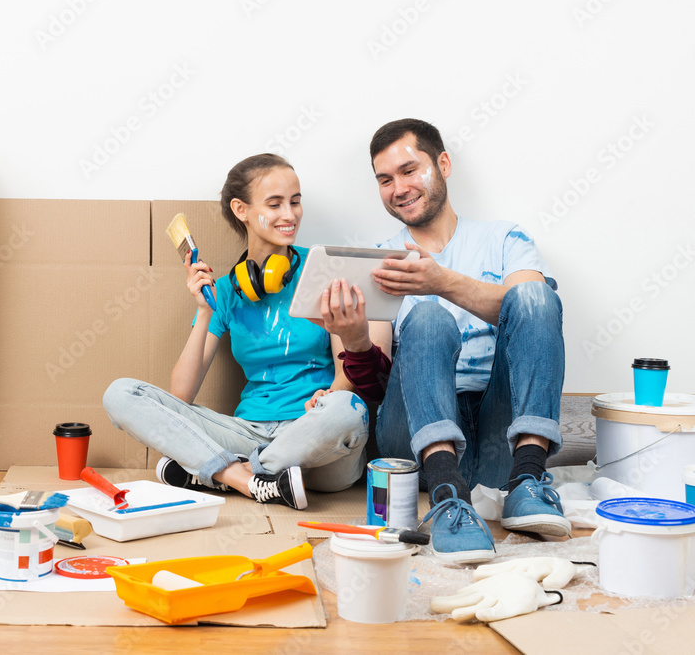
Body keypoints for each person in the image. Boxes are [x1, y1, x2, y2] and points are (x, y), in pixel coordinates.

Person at [330, 118, 570, 563]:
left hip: (502, 433)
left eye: (408, 170)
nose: (398, 188)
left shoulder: (504, 239)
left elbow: (531, 314)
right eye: (385, 180)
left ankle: (526, 483)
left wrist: (442, 281)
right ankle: (446, 495)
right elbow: (379, 389)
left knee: (536, 295)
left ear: (442, 164)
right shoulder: (379, 261)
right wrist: (355, 339)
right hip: (416, 442)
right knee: (424, 316)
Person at [102, 153, 370, 510]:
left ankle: (219, 471)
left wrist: (323, 405)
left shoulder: (324, 270)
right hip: (248, 431)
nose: (289, 215)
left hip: (316, 437)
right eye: (274, 204)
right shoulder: (225, 291)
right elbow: (182, 392)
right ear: (241, 209)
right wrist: (204, 309)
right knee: (120, 394)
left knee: (348, 409)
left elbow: (345, 375)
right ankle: (247, 480)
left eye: (295, 202)